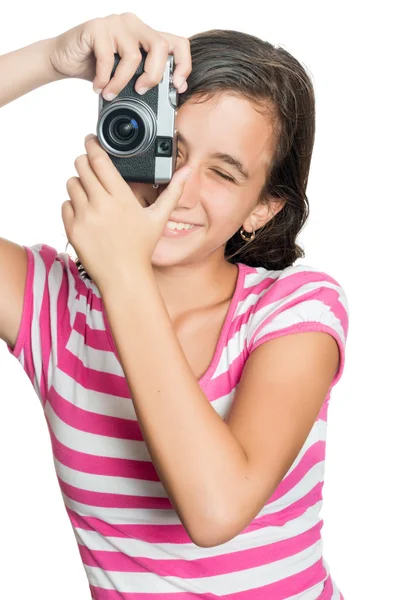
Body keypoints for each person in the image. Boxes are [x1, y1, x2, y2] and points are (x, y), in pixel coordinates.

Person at [0, 12, 349, 600]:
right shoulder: (52, 307)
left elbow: (215, 509)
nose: (179, 187)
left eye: (223, 171)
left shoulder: (296, 308)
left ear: (262, 209)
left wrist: (124, 273)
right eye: (167, 147)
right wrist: (49, 60)